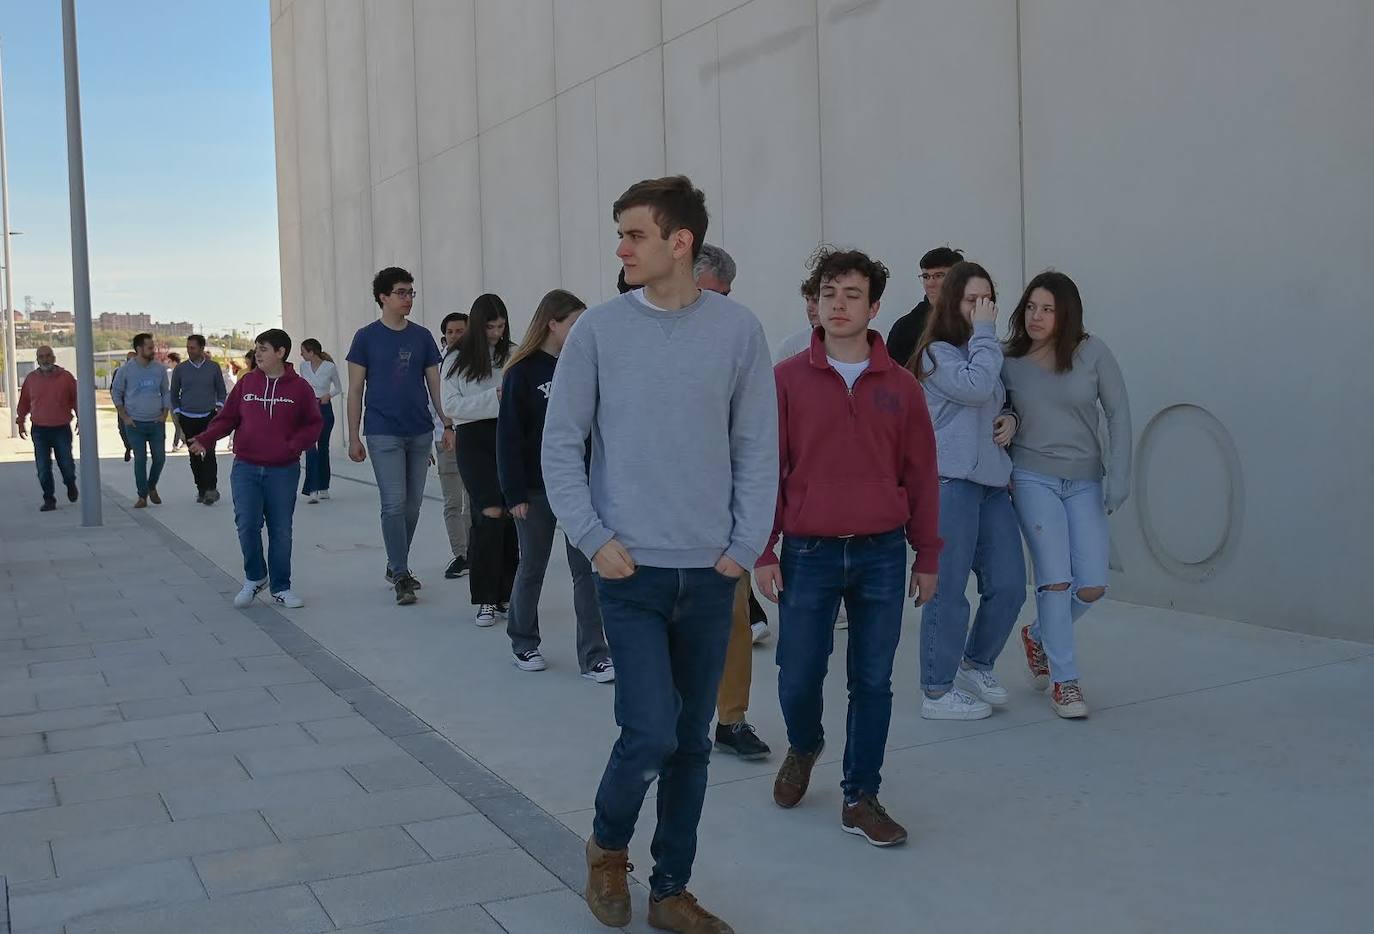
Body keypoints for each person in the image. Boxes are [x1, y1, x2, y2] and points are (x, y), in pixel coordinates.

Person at [544, 175, 776, 933]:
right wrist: (593, 538)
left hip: (711, 574)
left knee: (691, 745)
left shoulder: (738, 331)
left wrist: (743, 547)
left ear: (680, 242)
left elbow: (756, 448)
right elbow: (562, 445)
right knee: (648, 731)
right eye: (620, 233)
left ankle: (671, 890)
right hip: (630, 571)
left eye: (634, 233)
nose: (620, 247)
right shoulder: (599, 332)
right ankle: (609, 848)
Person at [756, 247, 940, 848]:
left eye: (852, 294)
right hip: (807, 553)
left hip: (882, 553)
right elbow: (767, 469)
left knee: (874, 680)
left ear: (874, 306)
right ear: (816, 302)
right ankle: (805, 745)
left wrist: (929, 555)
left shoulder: (903, 388)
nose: (839, 304)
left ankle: (860, 796)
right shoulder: (785, 380)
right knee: (798, 675)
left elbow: (921, 476)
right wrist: (764, 549)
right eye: (829, 293)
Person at [1002, 270, 1131, 719]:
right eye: (1031, 307)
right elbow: (996, 409)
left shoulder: (1092, 352)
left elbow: (1118, 412)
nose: (1036, 317)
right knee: (1054, 579)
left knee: (1092, 584)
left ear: (1066, 313)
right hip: (1031, 476)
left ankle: (1037, 635)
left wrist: (1119, 477)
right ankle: (1066, 682)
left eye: (1048, 309)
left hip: (1085, 480)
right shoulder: (1008, 357)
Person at [911, 261, 1026, 720]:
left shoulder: (984, 351)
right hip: (951, 483)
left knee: (1011, 584)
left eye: (987, 300)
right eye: (971, 300)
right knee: (948, 590)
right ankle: (936, 690)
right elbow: (977, 389)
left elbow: (997, 398)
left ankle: (975, 664)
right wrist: (985, 333)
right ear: (951, 302)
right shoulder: (935, 355)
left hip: (993, 484)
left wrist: (1012, 419)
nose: (982, 310)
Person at [497, 289, 613, 681]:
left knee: (587, 571)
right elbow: (508, 438)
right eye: (574, 323)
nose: (581, 332)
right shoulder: (523, 372)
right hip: (533, 489)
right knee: (533, 565)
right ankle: (523, 642)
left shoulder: (582, 367)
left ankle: (594, 654)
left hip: (579, 488)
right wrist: (513, 494)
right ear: (552, 323)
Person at [693, 242, 772, 761]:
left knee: (734, 618)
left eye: (727, 295)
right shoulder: (626, 327)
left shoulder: (738, 335)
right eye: (713, 294)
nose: (720, 304)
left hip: (721, 505)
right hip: (655, 512)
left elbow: (756, 433)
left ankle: (732, 719)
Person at [190, 328, 322, 610]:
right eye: (256, 348)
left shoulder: (300, 389)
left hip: (283, 471)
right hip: (246, 468)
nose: (258, 353)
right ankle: (255, 577)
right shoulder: (247, 383)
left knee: (280, 530)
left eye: (263, 348)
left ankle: (281, 587)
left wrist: (292, 446)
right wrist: (205, 439)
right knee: (247, 524)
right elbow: (226, 419)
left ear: (280, 352)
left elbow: (314, 424)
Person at [346, 266, 453, 606]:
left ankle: (396, 564)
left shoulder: (421, 337)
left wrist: (446, 423)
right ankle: (402, 572)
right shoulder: (365, 337)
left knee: (412, 505)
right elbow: (354, 390)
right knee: (393, 503)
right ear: (383, 297)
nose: (408, 298)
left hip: (419, 431)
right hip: (382, 431)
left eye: (411, 292)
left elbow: (435, 384)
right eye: (401, 292)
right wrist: (353, 436)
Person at [443, 293, 518, 627]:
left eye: (501, 326)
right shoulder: (455, 358)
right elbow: (453, 407)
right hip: (473, 441)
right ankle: (486, 598)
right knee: (488, 513)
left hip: (509, 438)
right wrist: (494, 398)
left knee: (511, 513)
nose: (496, 333)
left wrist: (500, 403)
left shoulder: (513, 353)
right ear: (477, 325)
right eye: (490, 326)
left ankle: (507, 593)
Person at [110, 333, 171, 508]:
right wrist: (125, 416)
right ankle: (142, 495)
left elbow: (165, 391)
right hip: (135, 423)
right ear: (139, 349)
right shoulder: (126, 370)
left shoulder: (159, 369)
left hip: (156, 422)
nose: (153, 350)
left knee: (160, 458)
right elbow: (116, 393)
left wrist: (164, 413)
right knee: (140, 459)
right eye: (150, 347)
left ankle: (151, 486)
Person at [16, 344, 79, 511]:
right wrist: (20, 421)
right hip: (39, 430)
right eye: (41, 356)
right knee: (43, 467)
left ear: (54, 358)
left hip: (61, 428)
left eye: (48, 355)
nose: (45, 359)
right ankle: (49, 498)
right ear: (37, 360)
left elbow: (76, 399)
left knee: (66, 463)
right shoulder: (31, 379)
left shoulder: (66, 377)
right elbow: (24, 402)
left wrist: (81, 418)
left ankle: (70, 483)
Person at [885, 245, 964, 370]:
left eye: (939, 276)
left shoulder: (973, 319)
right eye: (926, 277)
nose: (930, 283)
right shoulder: (906, 327)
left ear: (959, 279)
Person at [170, 335, 228, 504]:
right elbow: (173, 394)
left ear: (202, 348)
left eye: (193, 348)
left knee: (209, 453)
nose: (189, 350)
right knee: (194, 455)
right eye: (188, 347)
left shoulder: (213, 367)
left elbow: (221, 391)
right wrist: (178, 411)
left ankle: (211, 488)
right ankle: (201, 489)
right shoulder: (180, 369)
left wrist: (218, 407)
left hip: (209, 417)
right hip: (187, 418)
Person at [435, 313, 471, 579]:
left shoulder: (479, 361)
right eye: (450, 332)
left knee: (475, 502)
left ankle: (477, 551)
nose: (455, 336)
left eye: (460, 331)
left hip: (473, 438)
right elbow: (430, 404)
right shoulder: (436, 365)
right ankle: (461, 554)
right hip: (444, 439)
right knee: (452, 502)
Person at [298, 338, 343, 504]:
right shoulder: (303, 367)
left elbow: (338, 387)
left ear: (311, 352)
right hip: (308, 409)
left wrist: (328, 395)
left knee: (323, 447)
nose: (300, 354)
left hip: (324, 408)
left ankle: (324, 487)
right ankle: (312, 489)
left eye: (303, 351)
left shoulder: (329, 367)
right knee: (310, 448)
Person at [774, 275, 821, 362]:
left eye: (816, 301)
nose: (809, 307)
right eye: (807, 300)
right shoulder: (790, 346)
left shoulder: (849, 343)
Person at [116, 350, 137, 462]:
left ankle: (136, 448)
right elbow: (114, 389)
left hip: (137, 406)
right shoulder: (119, 372)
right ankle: (128, 447)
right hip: (123, 406)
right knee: (122, 428)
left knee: (136, 428)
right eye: (128, 360)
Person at [165, 353, 185, 451]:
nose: (167, 363)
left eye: (169, 361)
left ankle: (176, 443)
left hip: (181, 398)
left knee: (179, 422)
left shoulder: (182, 371)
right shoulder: (169, 372)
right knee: (176, 422)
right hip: (172, 398)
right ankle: (184, 440)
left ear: (174, 361)